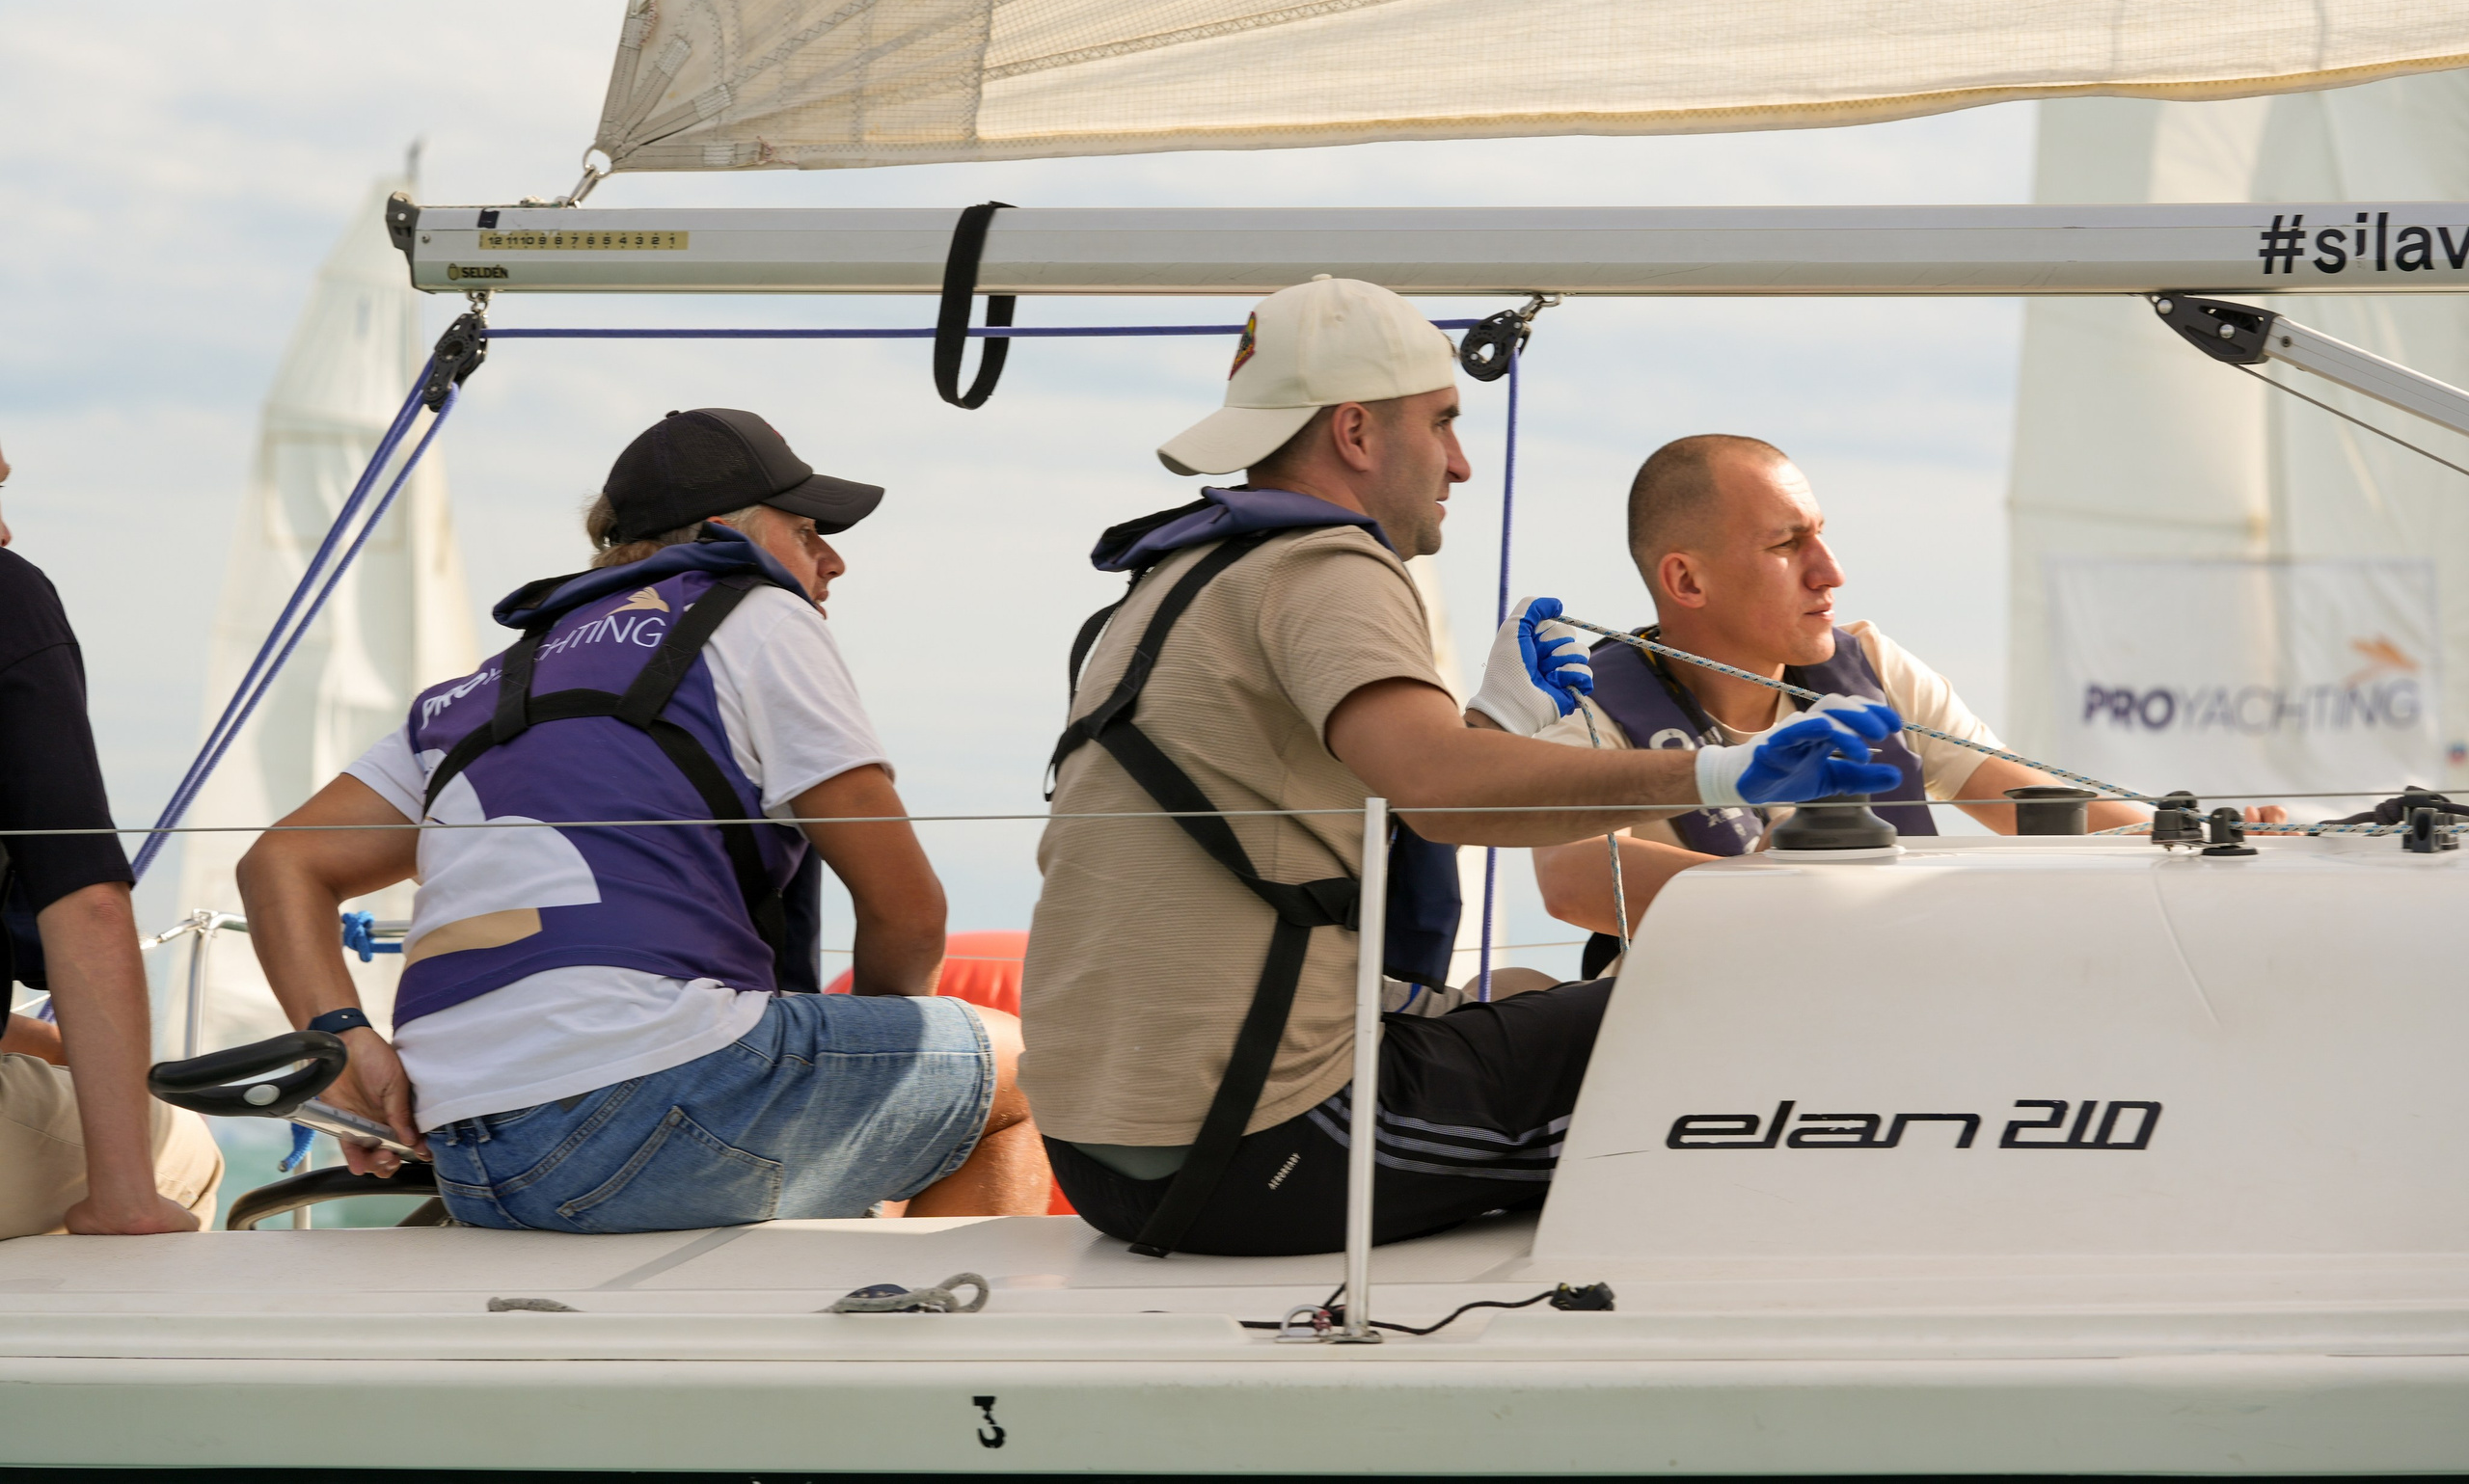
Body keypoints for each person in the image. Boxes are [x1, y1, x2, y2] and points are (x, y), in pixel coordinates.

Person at [1023, 278, 1903, 1258]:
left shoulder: (1186, 572)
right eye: (1440, 423)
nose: (1462, 463)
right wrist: (1722, 777)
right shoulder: (1324, 564)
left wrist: (1491, 720)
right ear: (1355, 434)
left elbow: (1321, 806)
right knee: (1746, 1022)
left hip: (1107, 1148)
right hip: (1258, 1144)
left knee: (1525, 990)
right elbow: (1437, 792)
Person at [236, 409, 1048, 1230]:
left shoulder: (482, 686)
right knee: (1029, 1076)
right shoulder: (759, 616)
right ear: (727, 531)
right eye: (807, 531)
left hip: (461, 1141)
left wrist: (340, 1038)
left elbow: (277, 865)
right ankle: (920, 1349)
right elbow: (909, 911)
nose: (832, 560)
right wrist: (872, 1079)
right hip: (652, 1096)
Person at [1531, 434, 2283, 955]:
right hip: (1711, 1030)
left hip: (1907, 996)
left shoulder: (1874, 668)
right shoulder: (1582, 701)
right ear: (1686, 580)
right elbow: (1572, 879)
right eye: (1787, 545)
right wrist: (1796, 891)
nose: (1830, 571)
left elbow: (2033, 804)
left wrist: (2195, 840)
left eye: (1820, 536)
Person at [0, 442, 221, 1238]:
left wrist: (49, 1044)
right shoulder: (8, 599)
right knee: (186, 1151)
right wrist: (121, 1196)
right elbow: (86, 901)